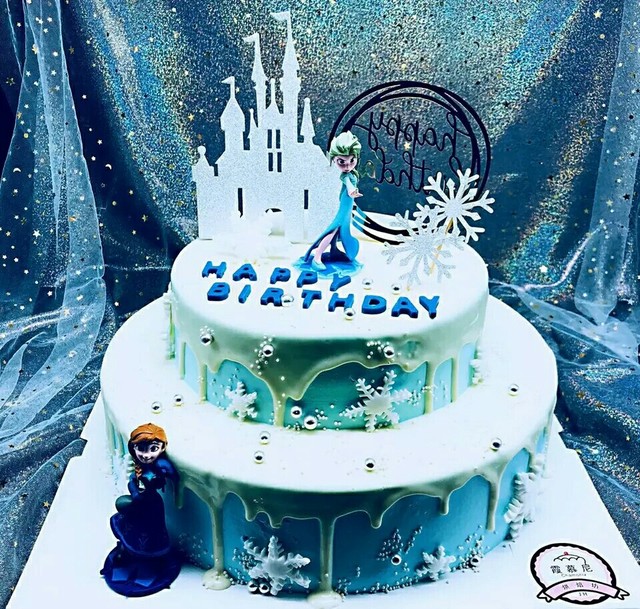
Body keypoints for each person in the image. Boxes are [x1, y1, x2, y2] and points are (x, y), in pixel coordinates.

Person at [101, 423, 181, 597]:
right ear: (133, 447)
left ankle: (151, 562)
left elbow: (171, 476)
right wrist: (135, 493)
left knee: (151, 531)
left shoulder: (160, 466)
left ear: (162, 448)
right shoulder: (139, 467)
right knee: (132, 530)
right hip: (139, 503)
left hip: (151, 504)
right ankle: (130, 554)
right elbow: (132, 481)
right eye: (141, 449)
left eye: (153, 449)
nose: (146, 454)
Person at [305, 131, 363, 270]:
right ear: (334, 160)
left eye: (352, 160)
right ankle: (317, 257)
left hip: (347, 204)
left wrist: (352, 194)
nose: (347, 166)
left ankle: (334, 250)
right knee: (334, 229)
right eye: (341, 162)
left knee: (340, 229)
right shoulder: (346, 176)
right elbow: (349, 186)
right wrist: (352, 191)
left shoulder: (352, 173)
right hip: (345, 205)